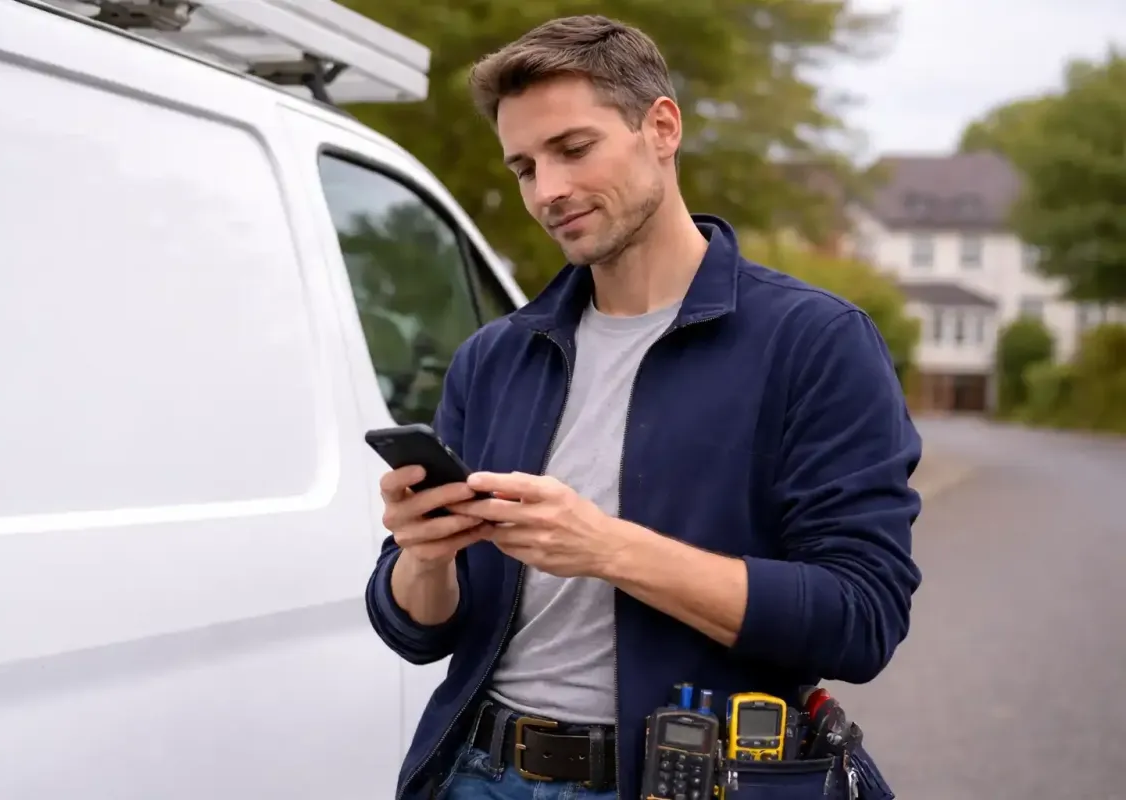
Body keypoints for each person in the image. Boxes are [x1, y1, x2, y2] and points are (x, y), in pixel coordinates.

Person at [365, 14, 921, 800]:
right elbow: (417, 630)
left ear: (661, 127)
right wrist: (424, 557)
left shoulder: (816, 342)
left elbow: (861, 618)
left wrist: (607, 548)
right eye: (524, 167)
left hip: (684, 781)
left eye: (573, 148)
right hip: (477, 775)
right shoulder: (496, 357)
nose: (547, 190)